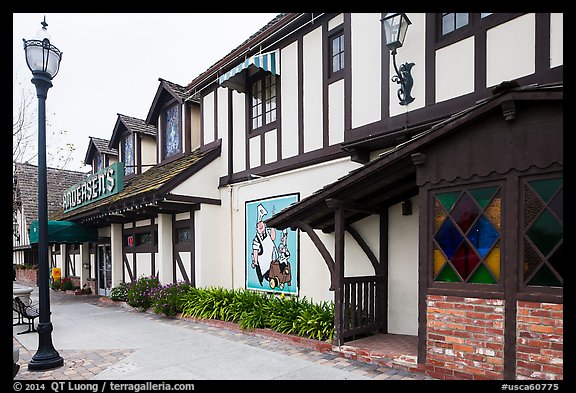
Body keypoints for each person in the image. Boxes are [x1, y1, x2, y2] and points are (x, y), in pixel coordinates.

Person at [251, 204, 276, 286]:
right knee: (266, 274)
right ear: (257, 229)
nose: (260, 229)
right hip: (263, 263)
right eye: (259, 228)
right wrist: (255, 261)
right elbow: (255, 251)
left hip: (271, 258)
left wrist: (272, 226)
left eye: (262, 227)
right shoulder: (256, 240)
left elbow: (272, 237)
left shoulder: (267, 233)